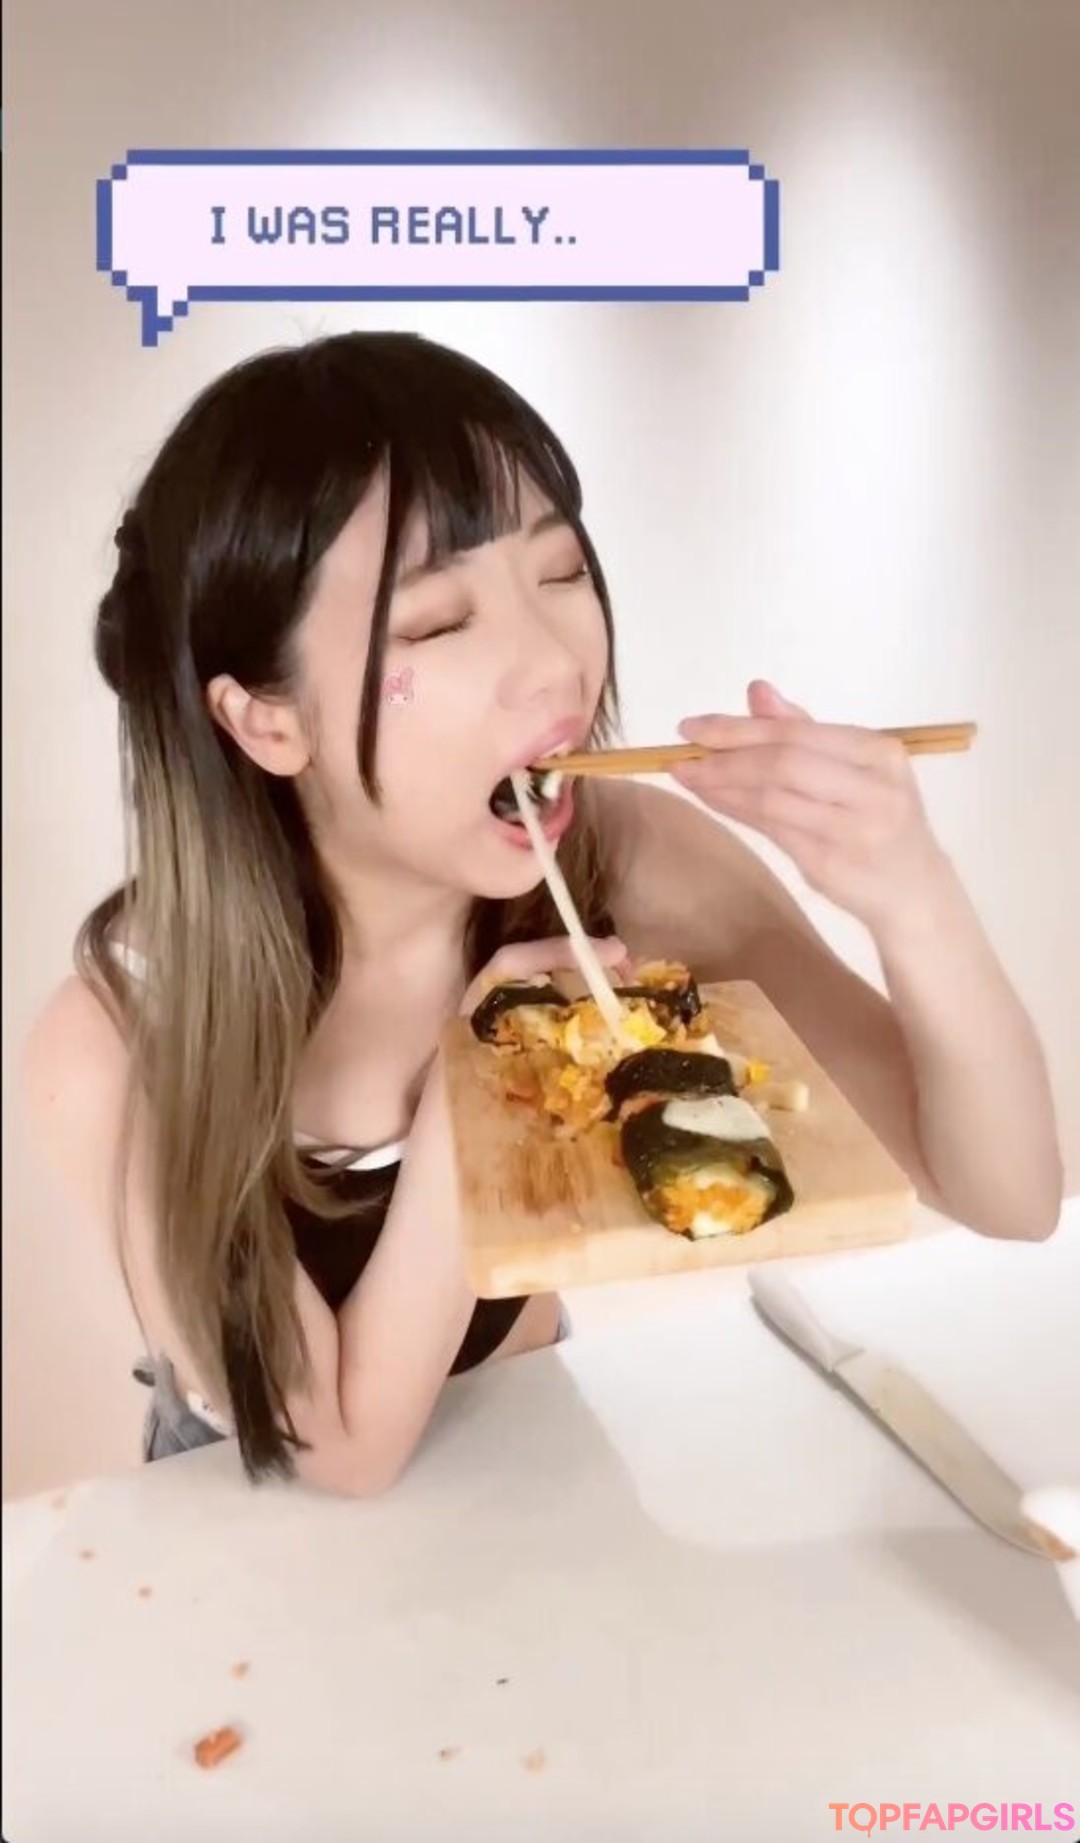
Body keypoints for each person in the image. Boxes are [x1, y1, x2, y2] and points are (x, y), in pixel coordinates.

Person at [22, 331, 1063, 1497]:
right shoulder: (122, 1036)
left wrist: (910, 894)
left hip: (534, 1450)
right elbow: (339, 1448)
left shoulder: (633, 860)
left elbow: (1010, 1192)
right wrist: (486, 1072)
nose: (553, 665)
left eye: (561, 572)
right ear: (269, 722)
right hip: (245, 1512)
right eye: (434, 624)